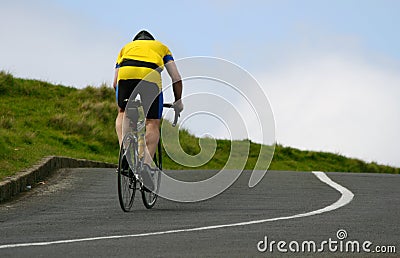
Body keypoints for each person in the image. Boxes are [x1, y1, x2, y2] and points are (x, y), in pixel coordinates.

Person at [113, 30, 183, 187]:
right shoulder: (162, 47)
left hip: (126, 74)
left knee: (123, 113)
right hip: (150, 77)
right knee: (152, 122)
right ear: (152, 41)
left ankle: (124, 152)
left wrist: (123, 105)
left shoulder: (126, 48)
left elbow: (115, 83)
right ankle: (146, 165)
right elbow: (176, 78)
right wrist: (178, 101)